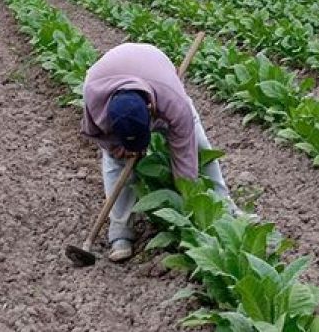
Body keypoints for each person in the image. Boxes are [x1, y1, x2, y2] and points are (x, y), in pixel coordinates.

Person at [81, 43, 241, 262]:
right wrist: (118, 148)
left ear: (150, 111)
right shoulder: (93, 97)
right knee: (114, 163)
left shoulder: (172, 100)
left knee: (200, 146)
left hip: (155, 68)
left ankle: (224, 206)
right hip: (109, 77)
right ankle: (120, 232)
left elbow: (184, 155)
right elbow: (96, 134)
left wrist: (189, 200)